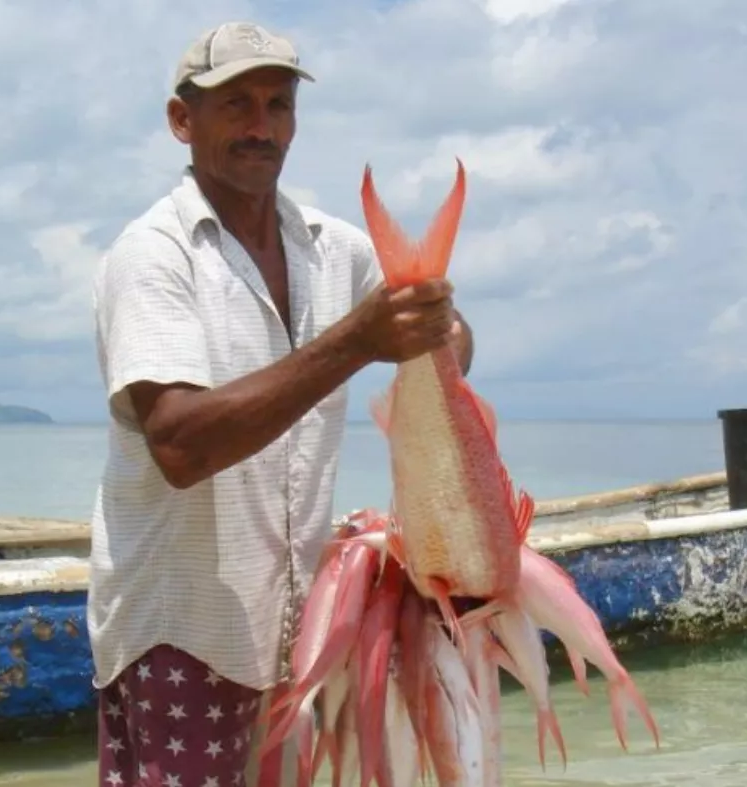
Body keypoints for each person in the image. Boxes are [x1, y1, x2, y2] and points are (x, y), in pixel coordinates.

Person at [86, 20, 474, 787]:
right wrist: (360, 341)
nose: (261, 127)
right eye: (235, 105)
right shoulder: (151, 256)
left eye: (278, 104)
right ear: (181, 120)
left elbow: (438, 340)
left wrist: (441, 336)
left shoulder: (337, 249)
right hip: (184, 632)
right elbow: (180, 445)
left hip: (295, 633)